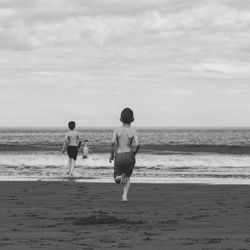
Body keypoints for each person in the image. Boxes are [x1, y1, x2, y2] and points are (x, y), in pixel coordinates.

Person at [109, 108, 140, 202]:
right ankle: (125, 196)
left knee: (116, 178)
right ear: (133, 119)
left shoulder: (117, 131)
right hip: (129, 155)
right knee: (128, 176)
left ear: (120, 119)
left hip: (119, 155)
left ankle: (119, 177)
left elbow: (112, 142)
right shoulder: (133, 131)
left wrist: (112, 155)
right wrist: (134, 152)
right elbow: (138, 144)